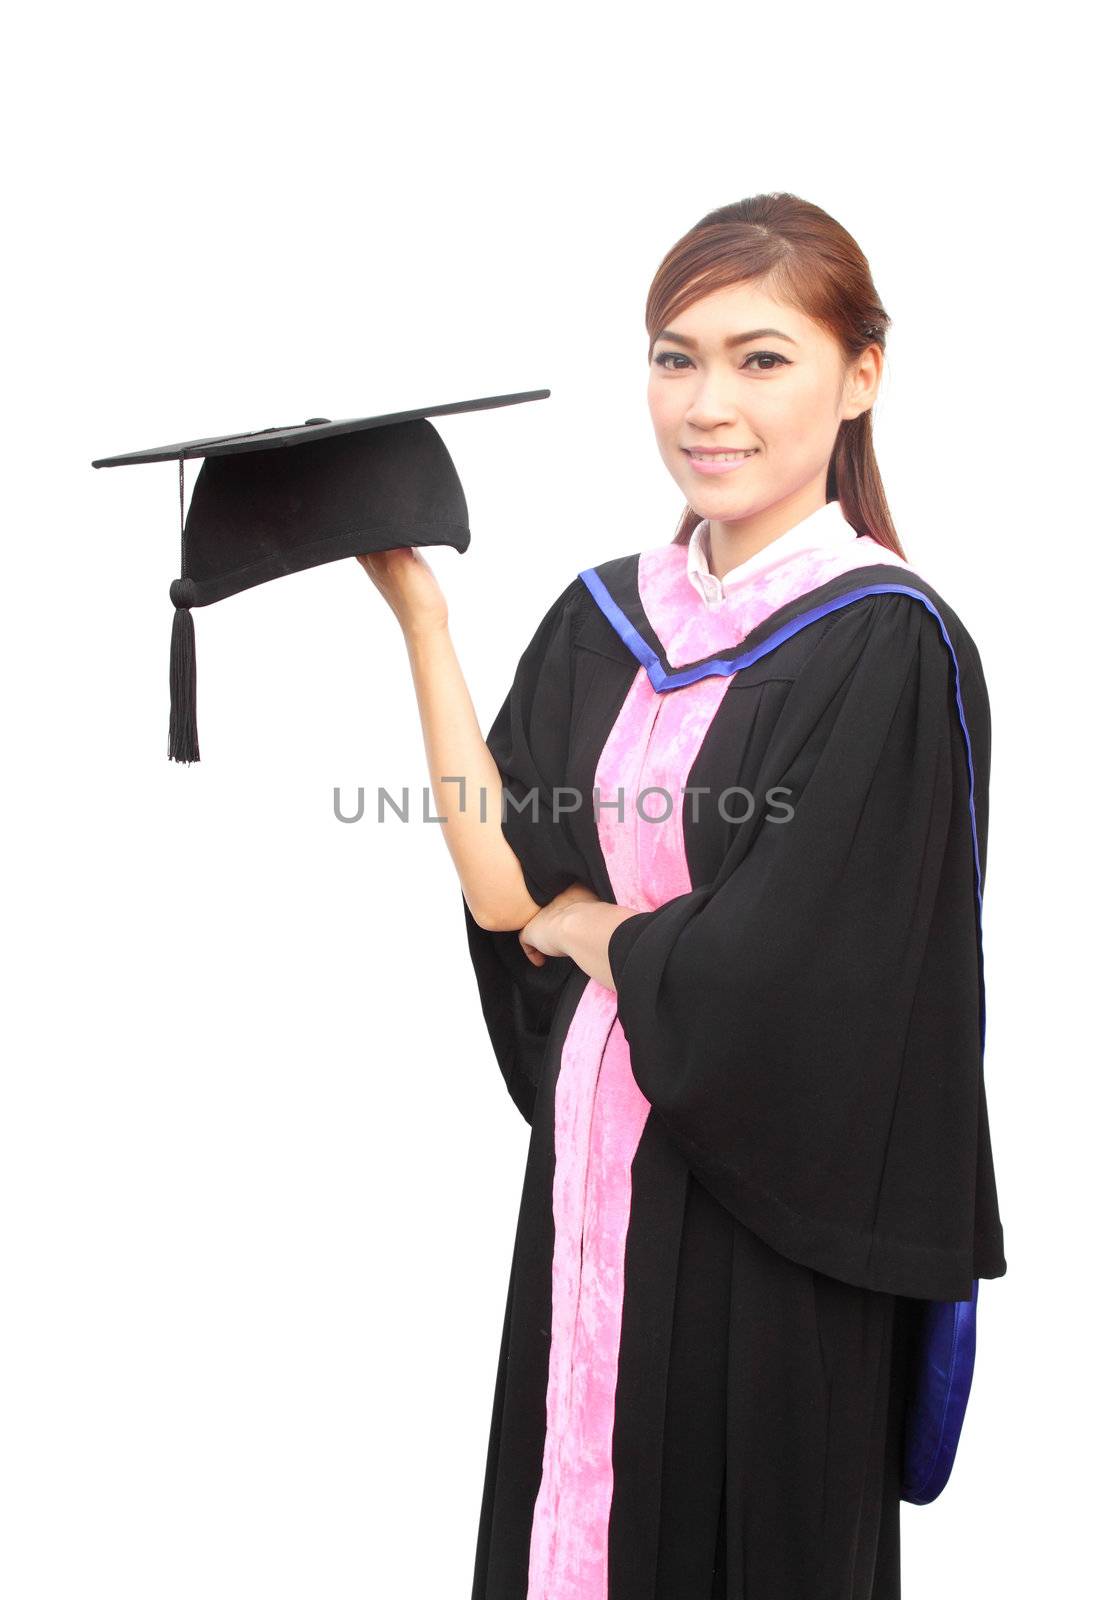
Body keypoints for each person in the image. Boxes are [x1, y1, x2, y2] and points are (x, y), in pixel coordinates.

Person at [356, 192, 1006, 1600]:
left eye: (762, 359)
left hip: (766, 1210)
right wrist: (423, 621)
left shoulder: (881, 644)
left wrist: (600, 930)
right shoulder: (607, 614)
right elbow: (500, 890)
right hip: (594, 1181)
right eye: (676, 356)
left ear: (862, 374)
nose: (708, 404)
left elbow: (785, 982)